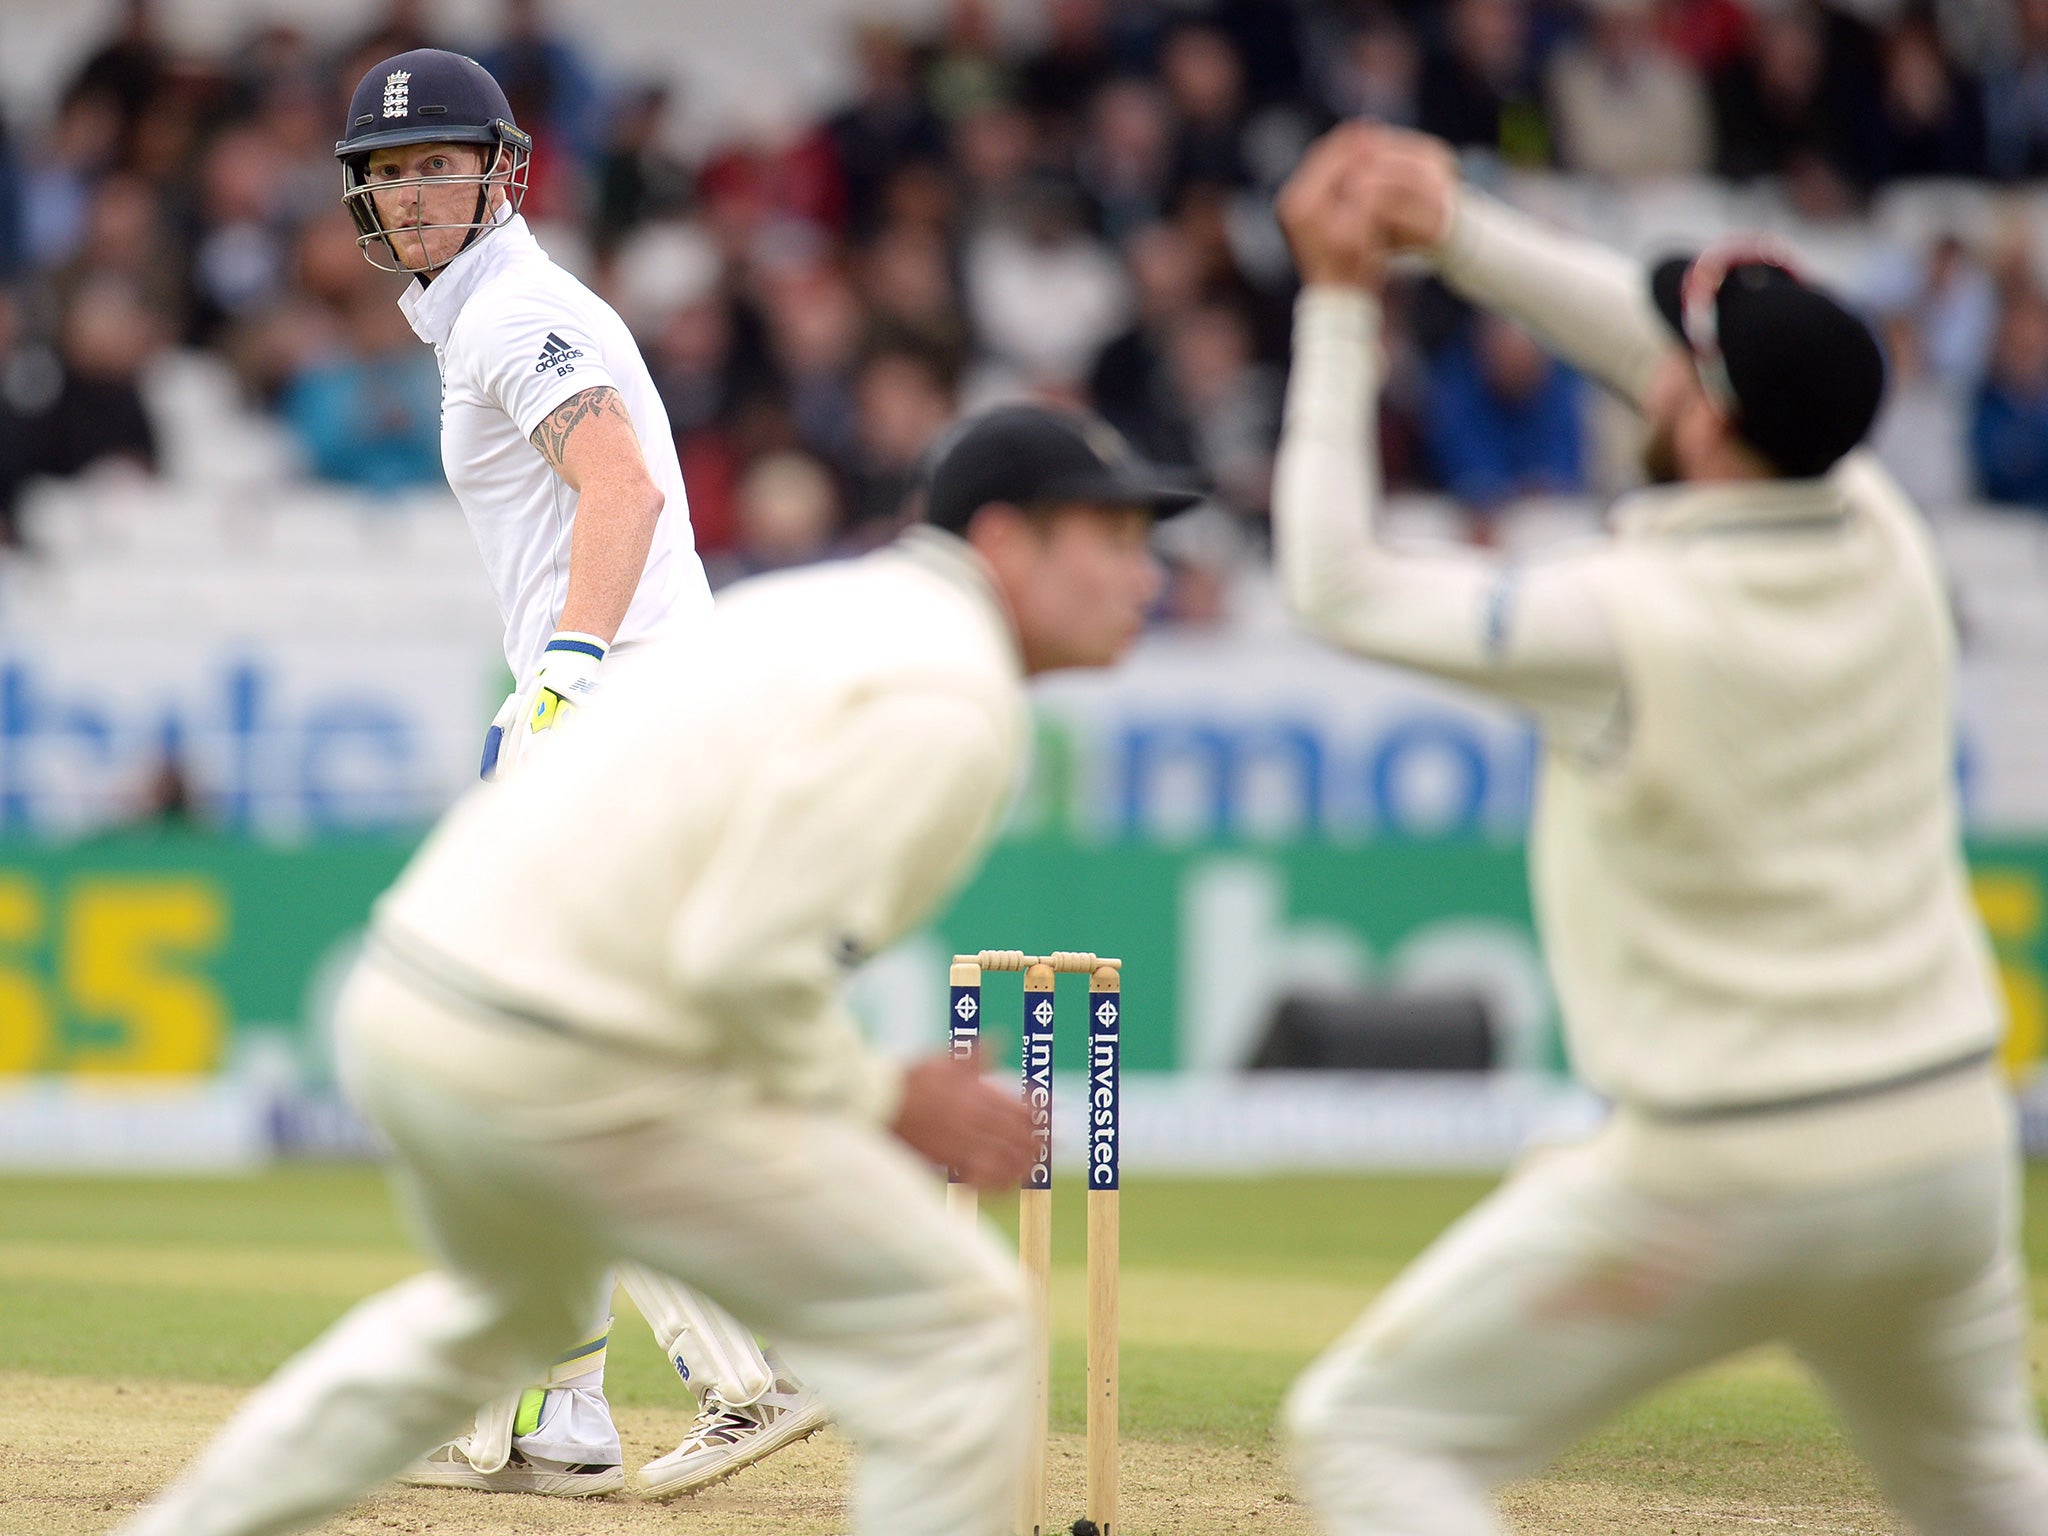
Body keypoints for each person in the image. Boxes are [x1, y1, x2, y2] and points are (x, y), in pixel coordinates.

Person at [113, 401, 1190, 1536]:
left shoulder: (840, 603)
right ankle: (755, 1375)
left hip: (409, 993)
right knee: (964, 1321)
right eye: (1111, 537)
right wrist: (879, 1098)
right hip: (549, 1040)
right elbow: (739, 961)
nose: (1146, 577)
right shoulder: (949, 698)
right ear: (1006, 542)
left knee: (486, 1324)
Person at [1270, 122, 2048, 1536]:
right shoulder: (1888, 535)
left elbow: (1333, 586)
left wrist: (1339, 295)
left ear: (1697, 407)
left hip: (1724, 1168)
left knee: (1374, 1433)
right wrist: (1455, 224)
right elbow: (1664, 360)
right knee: (1991, 1499)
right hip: (1947, 1143)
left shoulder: (1619, 618)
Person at [331, 47, 825, 1500]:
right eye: (389, 173)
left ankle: (748, 1369)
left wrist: (567, 676)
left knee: (526, 1058)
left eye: (436, 167)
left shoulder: (519, 311)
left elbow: (622, 483)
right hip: (631, 704)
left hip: (623, 711)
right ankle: (558, 1414)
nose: (412, 196)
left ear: (500, 173)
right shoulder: (489, 312)